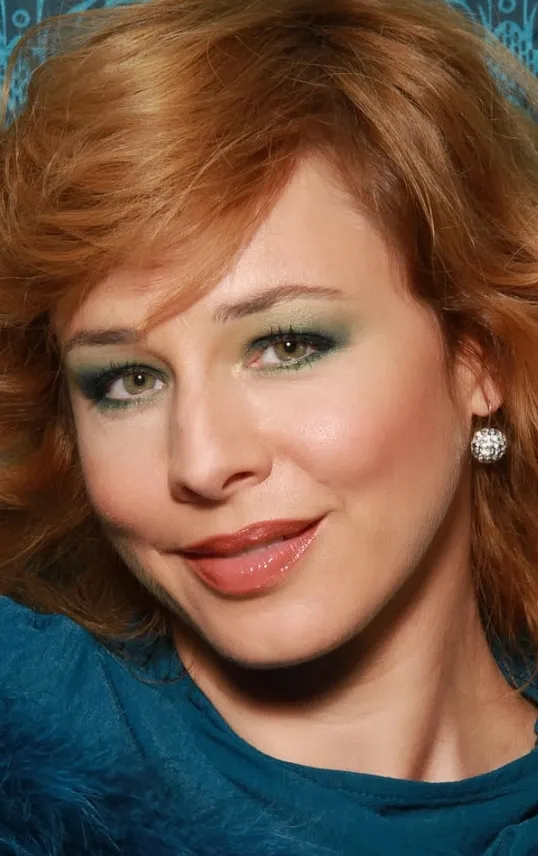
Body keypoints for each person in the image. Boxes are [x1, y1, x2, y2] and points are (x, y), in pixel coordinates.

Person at [2, 0, 538, 853]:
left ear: (479, 359)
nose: (202, 461)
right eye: (129, 380)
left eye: (287, 345)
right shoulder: (30, 754)